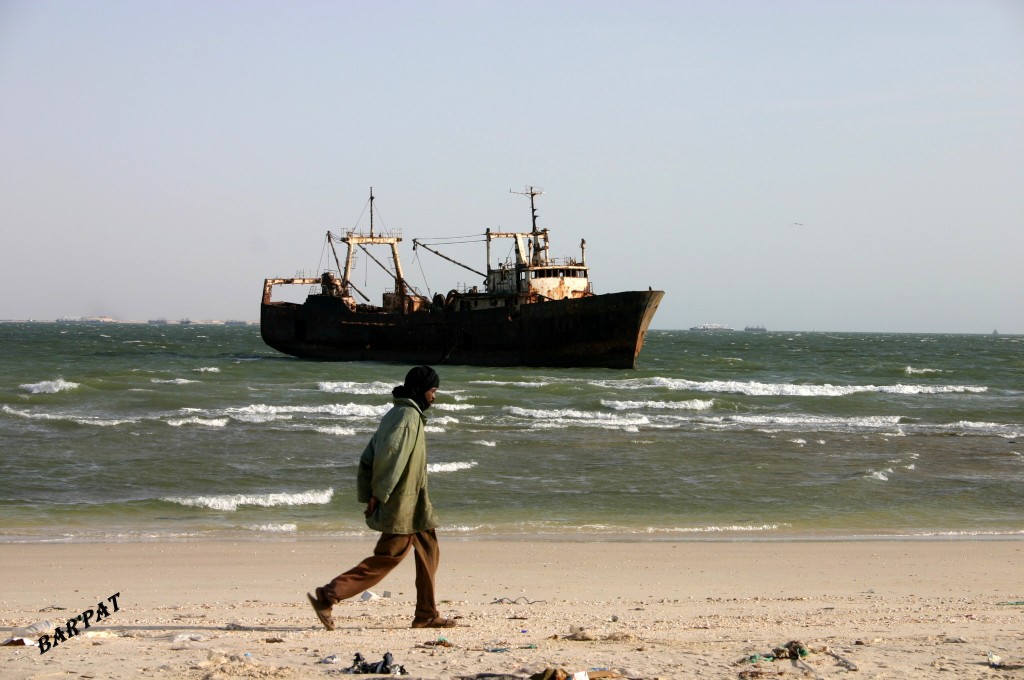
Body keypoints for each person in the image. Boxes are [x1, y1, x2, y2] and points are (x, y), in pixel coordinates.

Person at [307, 366, 457, 630]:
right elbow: (390, 457)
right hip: (403, 503)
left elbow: (369, 454)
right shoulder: (407, 416)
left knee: (429, 552)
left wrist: (372, 492)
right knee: (387, 557)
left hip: (416, 503)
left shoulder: (400, 413)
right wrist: (379, 494)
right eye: (433, 391)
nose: (434, 397)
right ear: (422, 390)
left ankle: (426, 614)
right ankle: (328, 595)